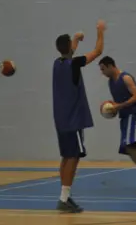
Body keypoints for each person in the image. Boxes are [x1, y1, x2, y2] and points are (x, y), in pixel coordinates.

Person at [53, 20, 106, 213]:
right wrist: (100, 32)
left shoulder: (57, 64)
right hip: (73, 120)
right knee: (74, 157)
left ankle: (64, 196)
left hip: (60, 121)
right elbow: (98, 51)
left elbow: (70, 52)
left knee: (66, 157)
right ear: (69, 49)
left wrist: (75, 38)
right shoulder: (74, 64)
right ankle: (64, 199)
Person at [98, 56, 136, 195]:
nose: (102, 72)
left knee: (129, 146)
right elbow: (119, 100)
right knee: (134, 147)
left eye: (103, 69)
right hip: (125, 116)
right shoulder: (110, 82)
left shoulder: (126, 78)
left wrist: (119, 106)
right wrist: (112, 106)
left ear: (110, 66)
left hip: (135, 113)